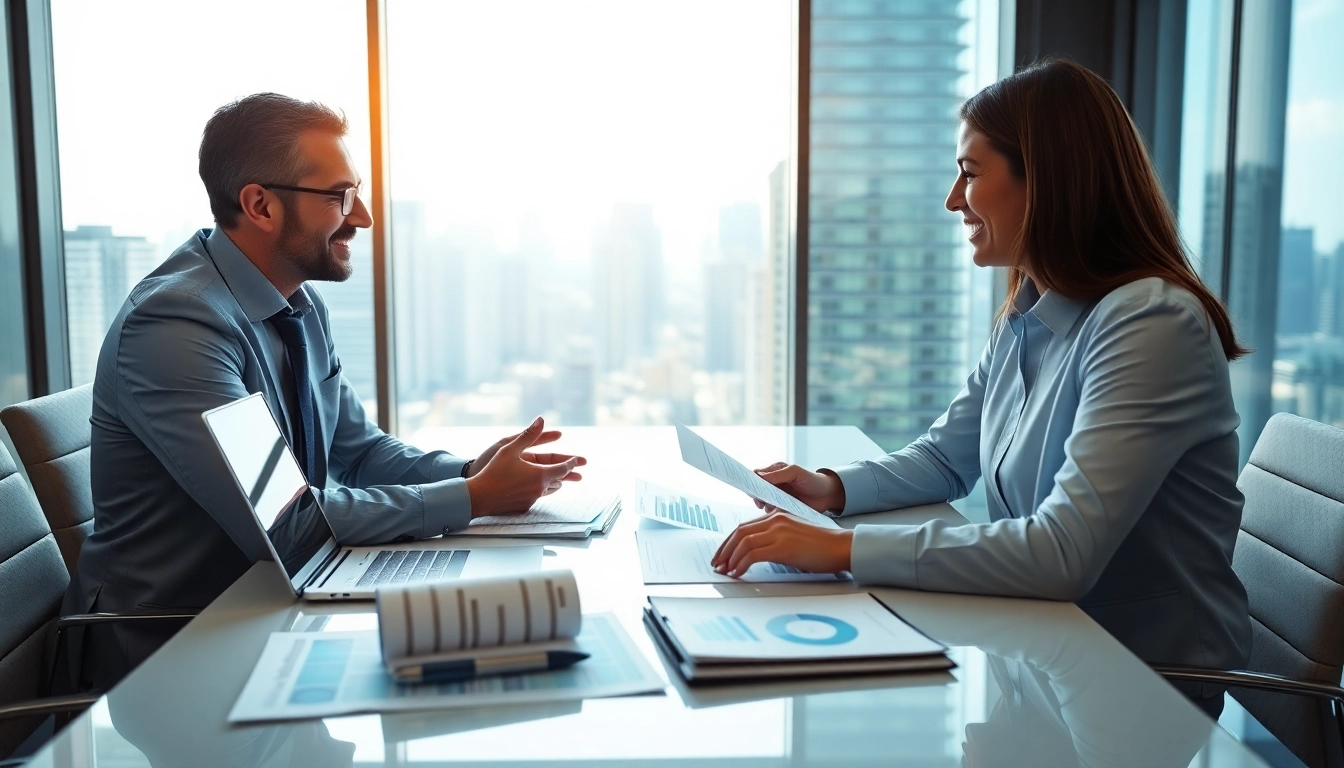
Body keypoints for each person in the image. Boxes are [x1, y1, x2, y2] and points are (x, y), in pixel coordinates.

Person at [712, 59, 1250, 715]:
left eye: (970, 173)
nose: (953, 199)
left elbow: (1061, 553)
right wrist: (833, 489)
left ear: (1046, 182)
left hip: (1141, 688)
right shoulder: (1031, 310)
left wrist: (842, 548)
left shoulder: (1149, 323)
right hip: (1050, 661)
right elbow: (946, 457)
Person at [65, 93, 585, 688]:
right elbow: (288, 525)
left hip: (272, 614)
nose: (361, 216)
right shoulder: (178, 327)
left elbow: (357, 452)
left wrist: (468, 470)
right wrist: (471, 498)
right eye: (339, 195)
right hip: (170, 653)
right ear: (260, 205)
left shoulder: (297, 304)